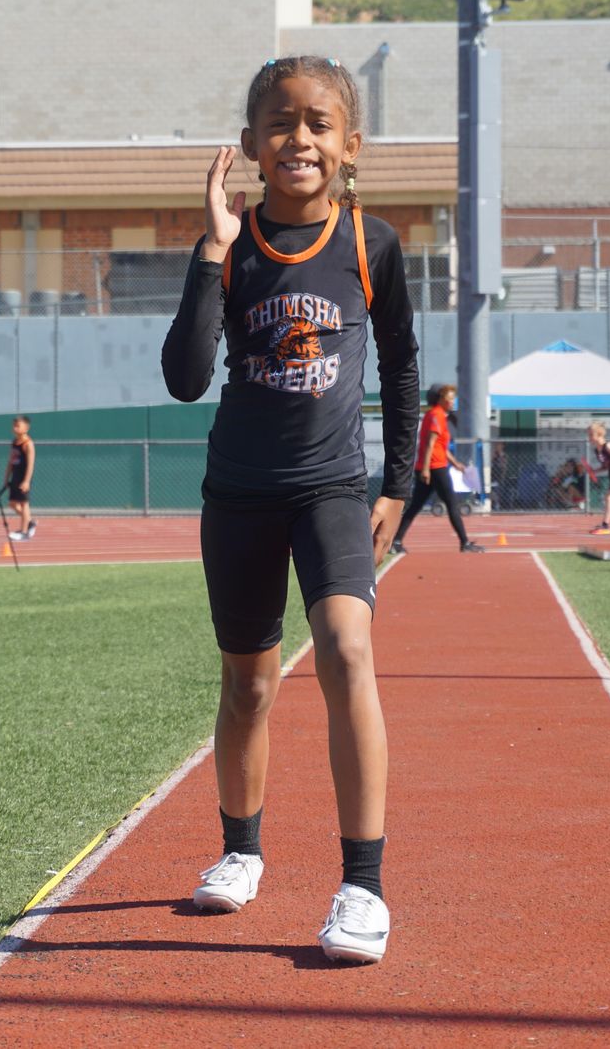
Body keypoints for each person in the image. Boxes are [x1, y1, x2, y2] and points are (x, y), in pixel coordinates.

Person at [161, 55, 419, 964]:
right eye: (279, 123)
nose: (298, 138)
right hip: (238, 493)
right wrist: (211, 250)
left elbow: (401, 365)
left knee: (347, 649)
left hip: (331, 489)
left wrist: (398, 484)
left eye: (318, 123)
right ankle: (241, 850)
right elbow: (186, 378)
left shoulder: (372, 244)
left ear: (351, 145)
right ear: (249, 144)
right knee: (249, 685)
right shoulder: (230, 248)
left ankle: (363, 886)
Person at [390, 383, 483, 554]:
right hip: (435, 468)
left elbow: (441, 446)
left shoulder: (435, 415)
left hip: (432, 467)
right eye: (449, 398)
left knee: (415, 506)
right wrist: (426, 469)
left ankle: (396, 541)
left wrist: (455, 463)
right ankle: (465, 543)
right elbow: (430, 445)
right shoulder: (436, 415)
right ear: (440, 399)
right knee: (452, 504)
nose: (452, 401)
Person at [5, 415, 36, 540]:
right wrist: (6, 478)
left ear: (26, 428)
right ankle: (30, 521)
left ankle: (24, 532)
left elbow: (30, 464)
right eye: (14, 426)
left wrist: (26, 481)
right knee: (12, 504)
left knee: (24, 504)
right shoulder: (14, 442)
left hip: (23, 478)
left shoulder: (28, 444)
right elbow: (11, 461)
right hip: (15, 477)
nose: (15, 428)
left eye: (18, 426)